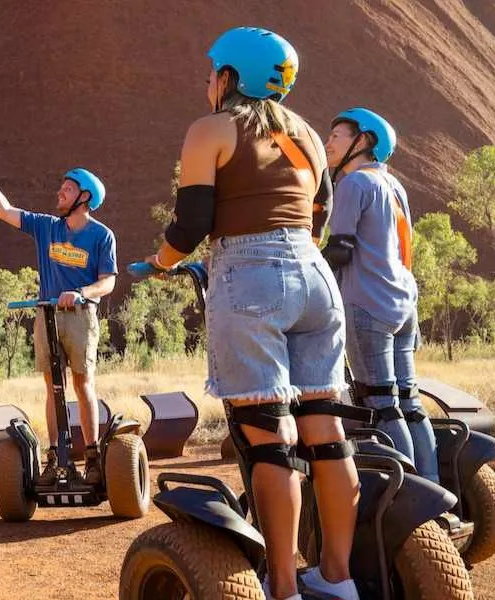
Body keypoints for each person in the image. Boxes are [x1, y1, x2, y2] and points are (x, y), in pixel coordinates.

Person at [145, 27, 360, 600]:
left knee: (269, 438)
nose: (207, 80)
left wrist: (162, 261)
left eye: (213, 70)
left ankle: (283, 585)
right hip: (314, 277)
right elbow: (319, 216)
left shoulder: (211, 129)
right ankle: (338, 580)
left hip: (250, 271)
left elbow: (191, 224)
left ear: (230, 76)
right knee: (327, 431)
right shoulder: (310, 136)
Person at [0, 146, 117, 486]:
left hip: (79, 315)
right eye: (61, 187)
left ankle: (91, 456)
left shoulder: (101, 235)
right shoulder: (47, 226)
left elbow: (108, 281)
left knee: (82, 382)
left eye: (68, 187)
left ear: (85, 196)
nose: (60, 192)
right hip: (46, 314)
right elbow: (4, 211)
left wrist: (81, 293)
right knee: (53, 386)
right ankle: (56, 457)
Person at [323, 108, 437, 482]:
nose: (329, 142)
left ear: (365, 141)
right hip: (403, 304)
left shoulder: (354, 185)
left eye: (337, 136)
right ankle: (432, 490)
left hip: (368, 304)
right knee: (410, 404)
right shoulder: (394, 186)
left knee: (382, 406)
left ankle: (410, 499)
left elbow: (340, 250)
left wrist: (306, 269)